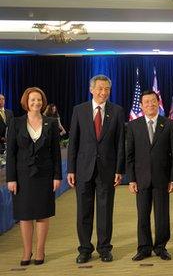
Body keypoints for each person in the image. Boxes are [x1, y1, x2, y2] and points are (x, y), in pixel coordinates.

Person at [67, 74, 125, 263]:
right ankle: (84, 249)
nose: (103, 92)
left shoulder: (117, 111)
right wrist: (70, 170)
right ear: (91, 89)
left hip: (107, 170)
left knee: (105, 211)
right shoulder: (79, 110)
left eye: (107, 89)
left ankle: (104, 248)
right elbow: (73, 142)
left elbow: (120, 144)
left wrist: (119, 169)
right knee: (83, 211)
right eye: (100, 88)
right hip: (83, 169)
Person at [6, 87, 62, 266]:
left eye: (39, 100)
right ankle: (26, 250)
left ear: (42, 102)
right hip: (22, 177)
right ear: (26, 102)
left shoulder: (51, 123)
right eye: (32, 100)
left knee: (42, 214)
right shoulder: (15, 122)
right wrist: (11, 178)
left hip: (45, 176)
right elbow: (11, 154)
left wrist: (56, 176)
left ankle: (39, 250)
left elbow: (56, 153)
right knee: (25, 215)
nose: (36, 103)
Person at [126, 90, 173, 261]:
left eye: (153, 101)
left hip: (162, 179)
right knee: (143, 215)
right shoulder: (133, 126)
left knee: (162, 215)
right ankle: (144, 248)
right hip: (141, 179)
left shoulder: (169, 124)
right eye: (146, 102)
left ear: (158, 103)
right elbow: (130, 155)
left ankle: (161, 247)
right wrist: (131, 179)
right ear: (141, 105)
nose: (150, 104)